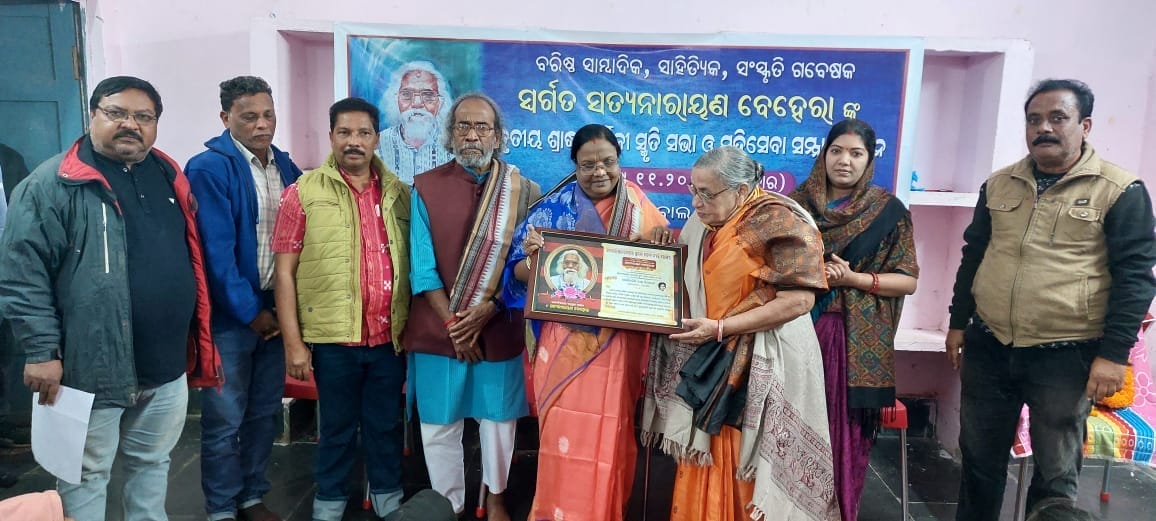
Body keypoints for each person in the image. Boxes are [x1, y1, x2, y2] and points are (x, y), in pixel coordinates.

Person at [0, 76, 222, 521]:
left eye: (143, 116)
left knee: (152, 464)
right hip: (88, 368)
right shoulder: (52, 184)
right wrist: (41, 350)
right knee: (83, 475)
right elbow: (22, 276)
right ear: (93, 115)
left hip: (166, 364)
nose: (130, 124)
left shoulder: (168, 174)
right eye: (116, 113)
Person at [947, 79, 1156, 520]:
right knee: (979, 463)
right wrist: (958, 322)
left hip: (1066, 355)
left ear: (1085, 125)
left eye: (1058, 118)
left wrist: (1113, 356)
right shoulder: (999, 184)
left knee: (1055, 474)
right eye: (1034, 119)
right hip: (990, 345)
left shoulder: (1120, 190)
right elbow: (974, 255)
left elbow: (1136, 278)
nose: (1044, 128)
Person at [640, 146, 840, 521]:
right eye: (693, 190)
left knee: (746, 465)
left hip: (762, 364)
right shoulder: (702, 223)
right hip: (710, 364)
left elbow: (798, 301)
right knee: (707, 458)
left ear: (742, 190)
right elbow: (689, 283)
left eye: (707, 193)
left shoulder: (779, 221)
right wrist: (660, 253)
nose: (696, 202)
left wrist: (721, 328)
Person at [505, 123, 670, 520]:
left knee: (611, 433)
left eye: (608, 162)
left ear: (619, 161)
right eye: (588, 164)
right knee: (564, 433)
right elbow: (516, 273)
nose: (600, 172)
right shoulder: (551, 208)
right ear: (574, 166)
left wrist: (659, 247)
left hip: (619, 344)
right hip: (563, 342)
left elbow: (662, 277)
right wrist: (536, 259)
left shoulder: (640, 210)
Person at [272, 97, 411, 520]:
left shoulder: (399, 194)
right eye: (345, 132)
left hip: (388, 339)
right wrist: (294, 345)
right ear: (331, 136)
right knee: (335, 427)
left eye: (363, 133)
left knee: (385, 425)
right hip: (333, 341)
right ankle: (330, 501)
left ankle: (388, 498)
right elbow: (284, 274)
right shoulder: (302, 193)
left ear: (376, 139)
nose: (354, 141)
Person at [404, 92, 540, 521]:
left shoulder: (524, 191)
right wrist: (454, 326)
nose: (472, 134)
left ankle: (495, 498)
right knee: (439, 423)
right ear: (450, 134)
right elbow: (422, 269)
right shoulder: (425, 187)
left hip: (497, 325)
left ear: (497, 136)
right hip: (437, 327)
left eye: (482, 126)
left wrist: (490, 308)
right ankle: (448, 505)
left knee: (499, 421)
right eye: (463, 125)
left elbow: (524, 266)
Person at [185, 76, 303, 521]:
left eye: (268, 115)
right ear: (225, 118)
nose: (262, 124)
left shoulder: (286, 167)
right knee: (224, 419)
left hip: (277, 308)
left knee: (263, 413)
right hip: (232, 317)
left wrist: (283, 313)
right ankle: (220, 508)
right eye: (249, 116)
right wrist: (251, 312)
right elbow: (214, 253)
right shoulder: (209, 169)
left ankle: (251, 495)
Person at [789, 119, 919, 521]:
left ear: (869, 160)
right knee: (791, 427)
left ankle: (835, 512)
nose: (844, 161)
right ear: (824, 154)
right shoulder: (795, 205)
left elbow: (908, 280)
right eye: (837, 151)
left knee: (839, 435)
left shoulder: (888, 211)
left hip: (849, 344)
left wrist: (854, 279)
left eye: (856, 153)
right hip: (795, 331)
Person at [377, 61, 454, 184]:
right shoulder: (378, 144)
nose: (417, 103)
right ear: (396, 101)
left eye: (428, 95)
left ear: (440, 103)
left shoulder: (454, 145)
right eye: (407, 94)